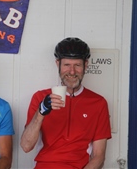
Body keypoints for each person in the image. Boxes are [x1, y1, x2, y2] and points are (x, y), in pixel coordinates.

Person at [20, 37, 111, 169]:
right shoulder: (40, 97)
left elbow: (99, 156)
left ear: (86, 65)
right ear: (58, 64)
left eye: (77, 65)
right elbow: (26, 146)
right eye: (67, 65)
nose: (72, 71)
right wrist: (41, 112)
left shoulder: (98, 103)